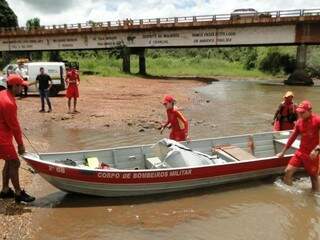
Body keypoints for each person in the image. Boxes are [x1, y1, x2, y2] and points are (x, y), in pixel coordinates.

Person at [0, 74, 35, 203]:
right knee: (15, 162)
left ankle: (5, 190)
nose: (22, 89)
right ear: (14, 86)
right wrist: (20, 144)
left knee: (9, 162)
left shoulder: (3, 93)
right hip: (2, 138)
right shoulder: (9, 103)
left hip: (3, 135)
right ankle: (18, 193)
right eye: (21, 86)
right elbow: (15, 127)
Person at [277, 100, 320, 192]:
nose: (300, 114)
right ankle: (291, 195)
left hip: (313, 154)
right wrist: (283, 152)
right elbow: (292, 138)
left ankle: (314, 198)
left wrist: (317, 149)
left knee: (314, 178)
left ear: (310, 111)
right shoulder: (299, 122)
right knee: (288, 172)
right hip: (300, 152)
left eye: (302, 112)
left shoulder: (317, 120)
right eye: (299, 112)